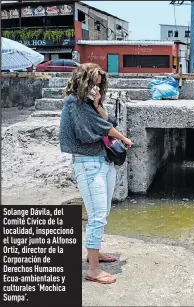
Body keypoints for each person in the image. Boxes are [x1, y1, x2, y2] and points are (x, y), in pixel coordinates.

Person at [59, 63, 133, 284]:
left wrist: (99, 103)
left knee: (104, 211)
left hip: (102, 161)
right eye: (93, 83)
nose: (96, 88)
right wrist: (123, 138)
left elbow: (107, 120)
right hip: (88, 163)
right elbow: (97, 129)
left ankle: (95, 252)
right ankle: (93, 269)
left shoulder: (89, 104)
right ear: (83, 81)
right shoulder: (74, 103)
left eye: (99, 84)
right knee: (97, 215)